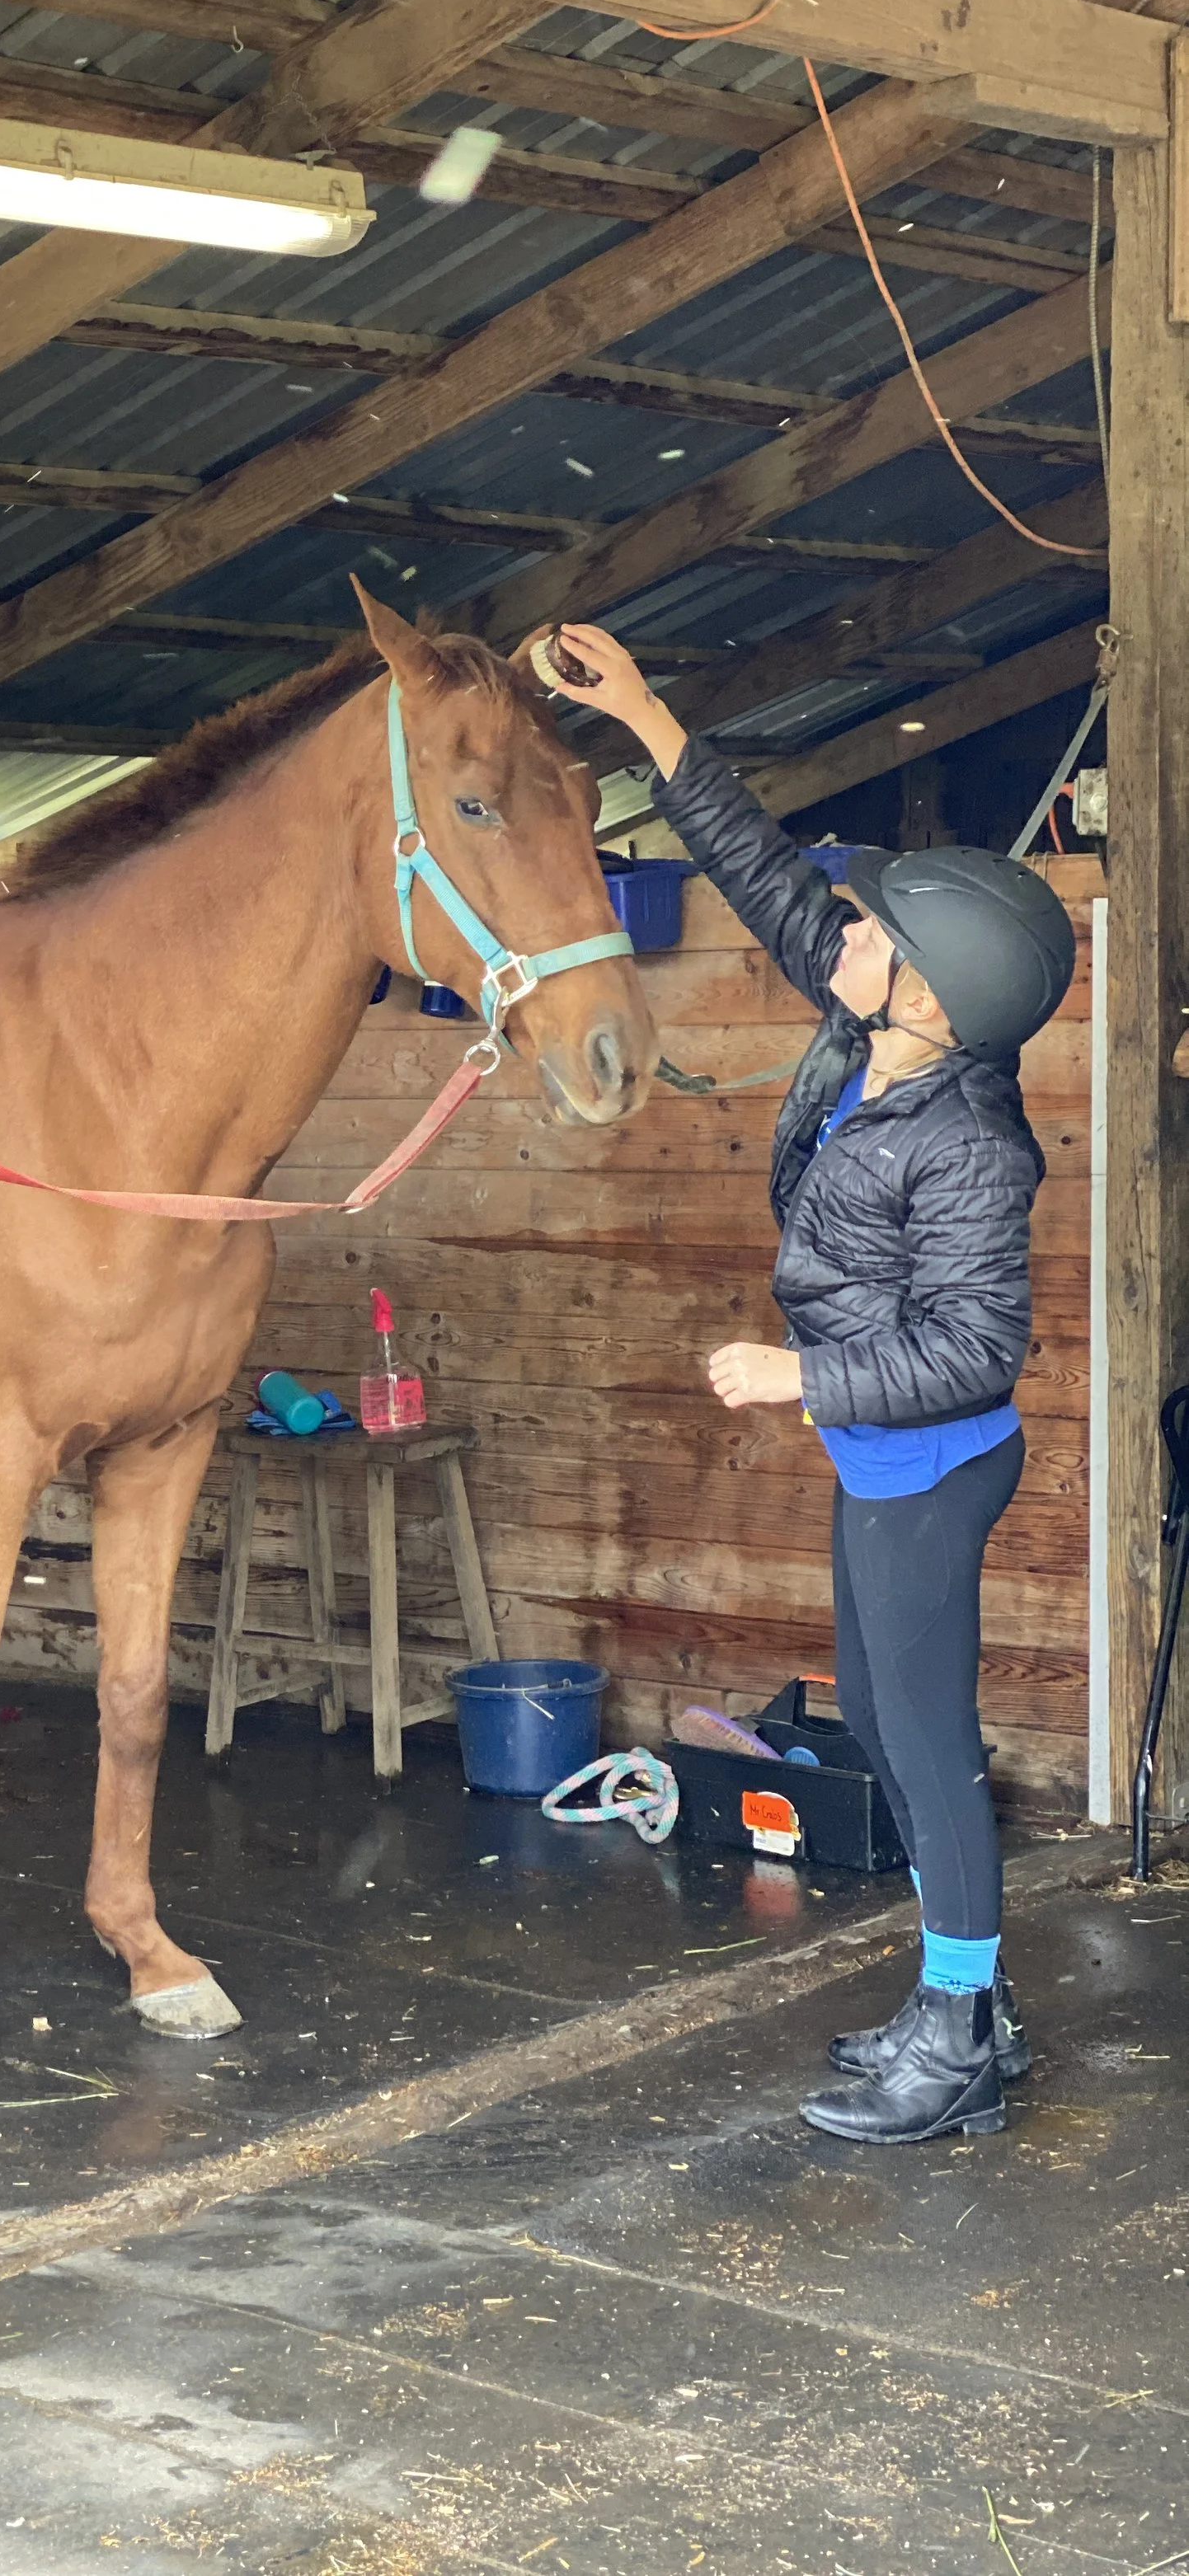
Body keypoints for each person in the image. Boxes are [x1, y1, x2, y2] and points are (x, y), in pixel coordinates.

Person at [552, 620, 1076, 2147]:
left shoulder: (969, 1143)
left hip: (927, 1463)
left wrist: (803, 1372)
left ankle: (965, 2032)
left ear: (934, 994)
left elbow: (980, 1347)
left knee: (925, 1751)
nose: (831, 937)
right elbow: (768, 877)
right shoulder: (875, 1039)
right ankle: (956, 2001)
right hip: (881, 1463)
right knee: (898, 1742)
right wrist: (651, 712)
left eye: (866, 934)